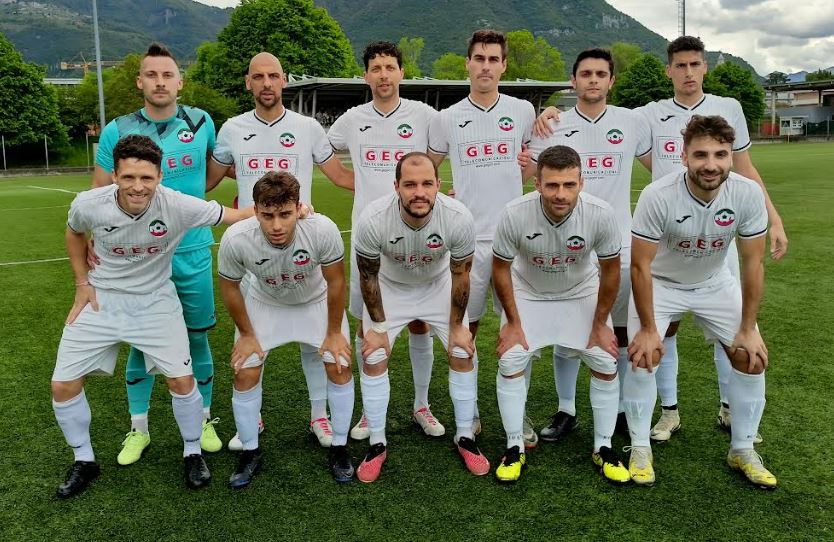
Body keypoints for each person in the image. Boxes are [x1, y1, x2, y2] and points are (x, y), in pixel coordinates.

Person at [52, 135, 253, 498]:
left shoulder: (177, 205)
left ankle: (192, 451)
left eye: (146, 178)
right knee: (63, 385)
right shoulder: (88, 204)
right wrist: (82, 282)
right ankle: (84, 459)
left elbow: (234, 215)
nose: (137, 186)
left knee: (181, 381)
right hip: (103, 299)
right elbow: (73, 231)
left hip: (155, 302)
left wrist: (294, 208)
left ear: (160, 176)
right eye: (128, 177)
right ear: (114, 175)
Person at [637, 36, 787, 443]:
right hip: (671, 240)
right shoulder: (649, 114)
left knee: (734, 331)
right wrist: (548, 116)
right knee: (663, 333)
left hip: (716, 241)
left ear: (705, 68)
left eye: (695, 64)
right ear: (669, 70)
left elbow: (744, 168)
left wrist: (772, 217)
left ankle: (728, 408)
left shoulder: (728, 108)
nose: (688, 72)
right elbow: (607, 128)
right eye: (680, 65)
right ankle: (669, 412)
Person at [208, 52, 354, 450]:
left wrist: (404, 190)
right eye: (259, 77)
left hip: (299, 236)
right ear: (248, 82)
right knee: (251, 345)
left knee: (317, 345)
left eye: (274, 76)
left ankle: (319, 417)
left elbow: (339, 175)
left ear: (285, 81)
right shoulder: (232, 129)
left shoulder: (307, 128)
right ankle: (250, 420)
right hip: (252, 244)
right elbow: (205, 180)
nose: (267, 83)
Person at [625, 115, 775, 489]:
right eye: (701, 155)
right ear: (684, 156)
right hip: (661, 282)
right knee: (644, 356)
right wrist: (646, 329)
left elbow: (753, 261)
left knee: (750, 357)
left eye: (721, 154)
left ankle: (742, 449)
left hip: (713, 282)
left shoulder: (747, 192)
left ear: (730, 156)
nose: (711, 164)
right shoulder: (658, 195)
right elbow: (640, 266)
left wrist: (747, 328)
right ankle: (640, 446)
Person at [92, 43, 224, 464]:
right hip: (139, 255)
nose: (160, 82)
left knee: (198, 336)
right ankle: (139, 429)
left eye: (168, 75)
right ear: (140, 81)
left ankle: (203, 420)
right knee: (139, 343)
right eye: (152, 75)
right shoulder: (117, 128)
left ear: (180, 82)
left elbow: (214, 172)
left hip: (192, 251)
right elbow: (98, 192)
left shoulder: (202, 121)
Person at [523, 48, 652, 443]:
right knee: (568, 332)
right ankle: (566, 410)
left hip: (619, 244)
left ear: (611, 80)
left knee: (621, 332)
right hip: (568, 246)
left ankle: (617, 413)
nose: (593, 80)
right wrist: (540, 117)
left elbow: (659, 169)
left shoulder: (633, 122)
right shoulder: (552, 125)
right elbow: (529, 173)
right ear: (573, 81)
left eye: (601, 73)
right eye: (585, 74)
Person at [328, 41, 443, 440]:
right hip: (369, 238)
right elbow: (328, 157)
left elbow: (438, 158)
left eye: (389, 67)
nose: (383, 75)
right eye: (375, 68)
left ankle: (421, 405)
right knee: (368, 326)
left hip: (415, 234)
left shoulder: (425, 116)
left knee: (419, 325)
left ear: (401, 73)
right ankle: (369, 410)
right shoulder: (351, 119)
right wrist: (349, 183)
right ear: (366, 76)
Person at [493, 145, 630, 484]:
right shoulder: (514, 213)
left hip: (579, 290)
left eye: (569, 185)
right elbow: (500, 268)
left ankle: (603, 446)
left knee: (604, 360)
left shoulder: (600, 213)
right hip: (529, 290)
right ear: (537, 184)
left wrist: (600, 324)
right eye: (552, 185)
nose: (560, 194)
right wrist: (512, 322)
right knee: (511, 360)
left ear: (581, 182)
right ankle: (514, 446)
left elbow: (612, 270)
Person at [427, 29, 535, 443]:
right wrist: (440, 193)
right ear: (468, 63)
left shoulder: (523, 110)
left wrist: (524, 168)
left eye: (493, 59)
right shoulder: (448, 118)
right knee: (464, 330)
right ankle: (467, 415)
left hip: (513, 241)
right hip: (467, 242)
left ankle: (518, 414)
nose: (486, 65)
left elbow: (532, 165)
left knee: (519, 330)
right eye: (479, 58)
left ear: (504, 65)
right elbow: (427, 168)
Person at [352, 152, 486, 482]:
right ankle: (378, 441)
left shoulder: (457, 216)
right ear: (396, 186)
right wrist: (379, 328)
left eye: (427, 183)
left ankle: (463, 434)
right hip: (391, 286)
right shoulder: (373, 219)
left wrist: (458, 327)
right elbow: (368, 275)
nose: (419, 192)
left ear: (439, 185)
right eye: (410, 184)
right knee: (374, 354)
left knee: (461, 350)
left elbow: (461, 273)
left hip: (436, 285)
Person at [218, 171, 355, 487]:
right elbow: (230, 288)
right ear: (255, 211)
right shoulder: (237, 238)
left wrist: (334, 332)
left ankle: (339, 446)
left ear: (298, 207)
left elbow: (336, 282)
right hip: (266, 304)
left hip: (315, 301)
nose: (276, 225)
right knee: (244, 370)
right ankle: (250, 451)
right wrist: (248, 335)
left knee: (340, 365)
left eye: (285, 214)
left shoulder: (321, 230)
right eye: (267, 215)